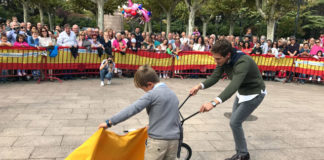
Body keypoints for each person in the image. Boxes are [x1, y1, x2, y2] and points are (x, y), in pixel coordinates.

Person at [190, 39, 266, 160]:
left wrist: (213, 102)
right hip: (242, 93)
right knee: (235, 123)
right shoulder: (223, 61)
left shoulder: (243, 61)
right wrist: (199, 86)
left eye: (218, 59)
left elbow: (233, 85)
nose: (216, 61)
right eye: (214, 58)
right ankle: (241, 153)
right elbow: (215, 76)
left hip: (254, 94)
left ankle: (243, 155)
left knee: (234, 122)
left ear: (228, 55)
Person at [98, 64, 181, 160]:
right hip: (174, 140)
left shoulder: (152, 94)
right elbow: (169, 115)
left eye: (144, 89)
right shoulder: (172, 93)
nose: (145, 92)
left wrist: (109, 122)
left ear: (149, 84)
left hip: (157, 142)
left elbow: (132, 109)